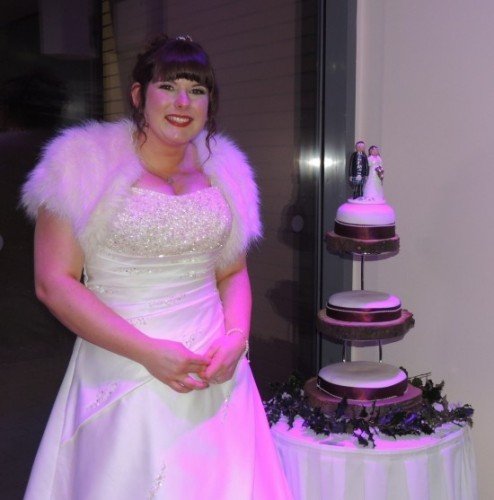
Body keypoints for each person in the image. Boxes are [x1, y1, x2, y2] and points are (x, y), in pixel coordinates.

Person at [21, 35, 292, 499]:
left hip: (215, 372)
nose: (183, 103)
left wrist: (236, 339)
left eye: (197, 90)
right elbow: (54, 283)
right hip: (122, 365)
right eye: (168, 86)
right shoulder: (80, 165)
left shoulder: (225, 171)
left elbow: (231, 273)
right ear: (138, 94)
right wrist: (148, 351)